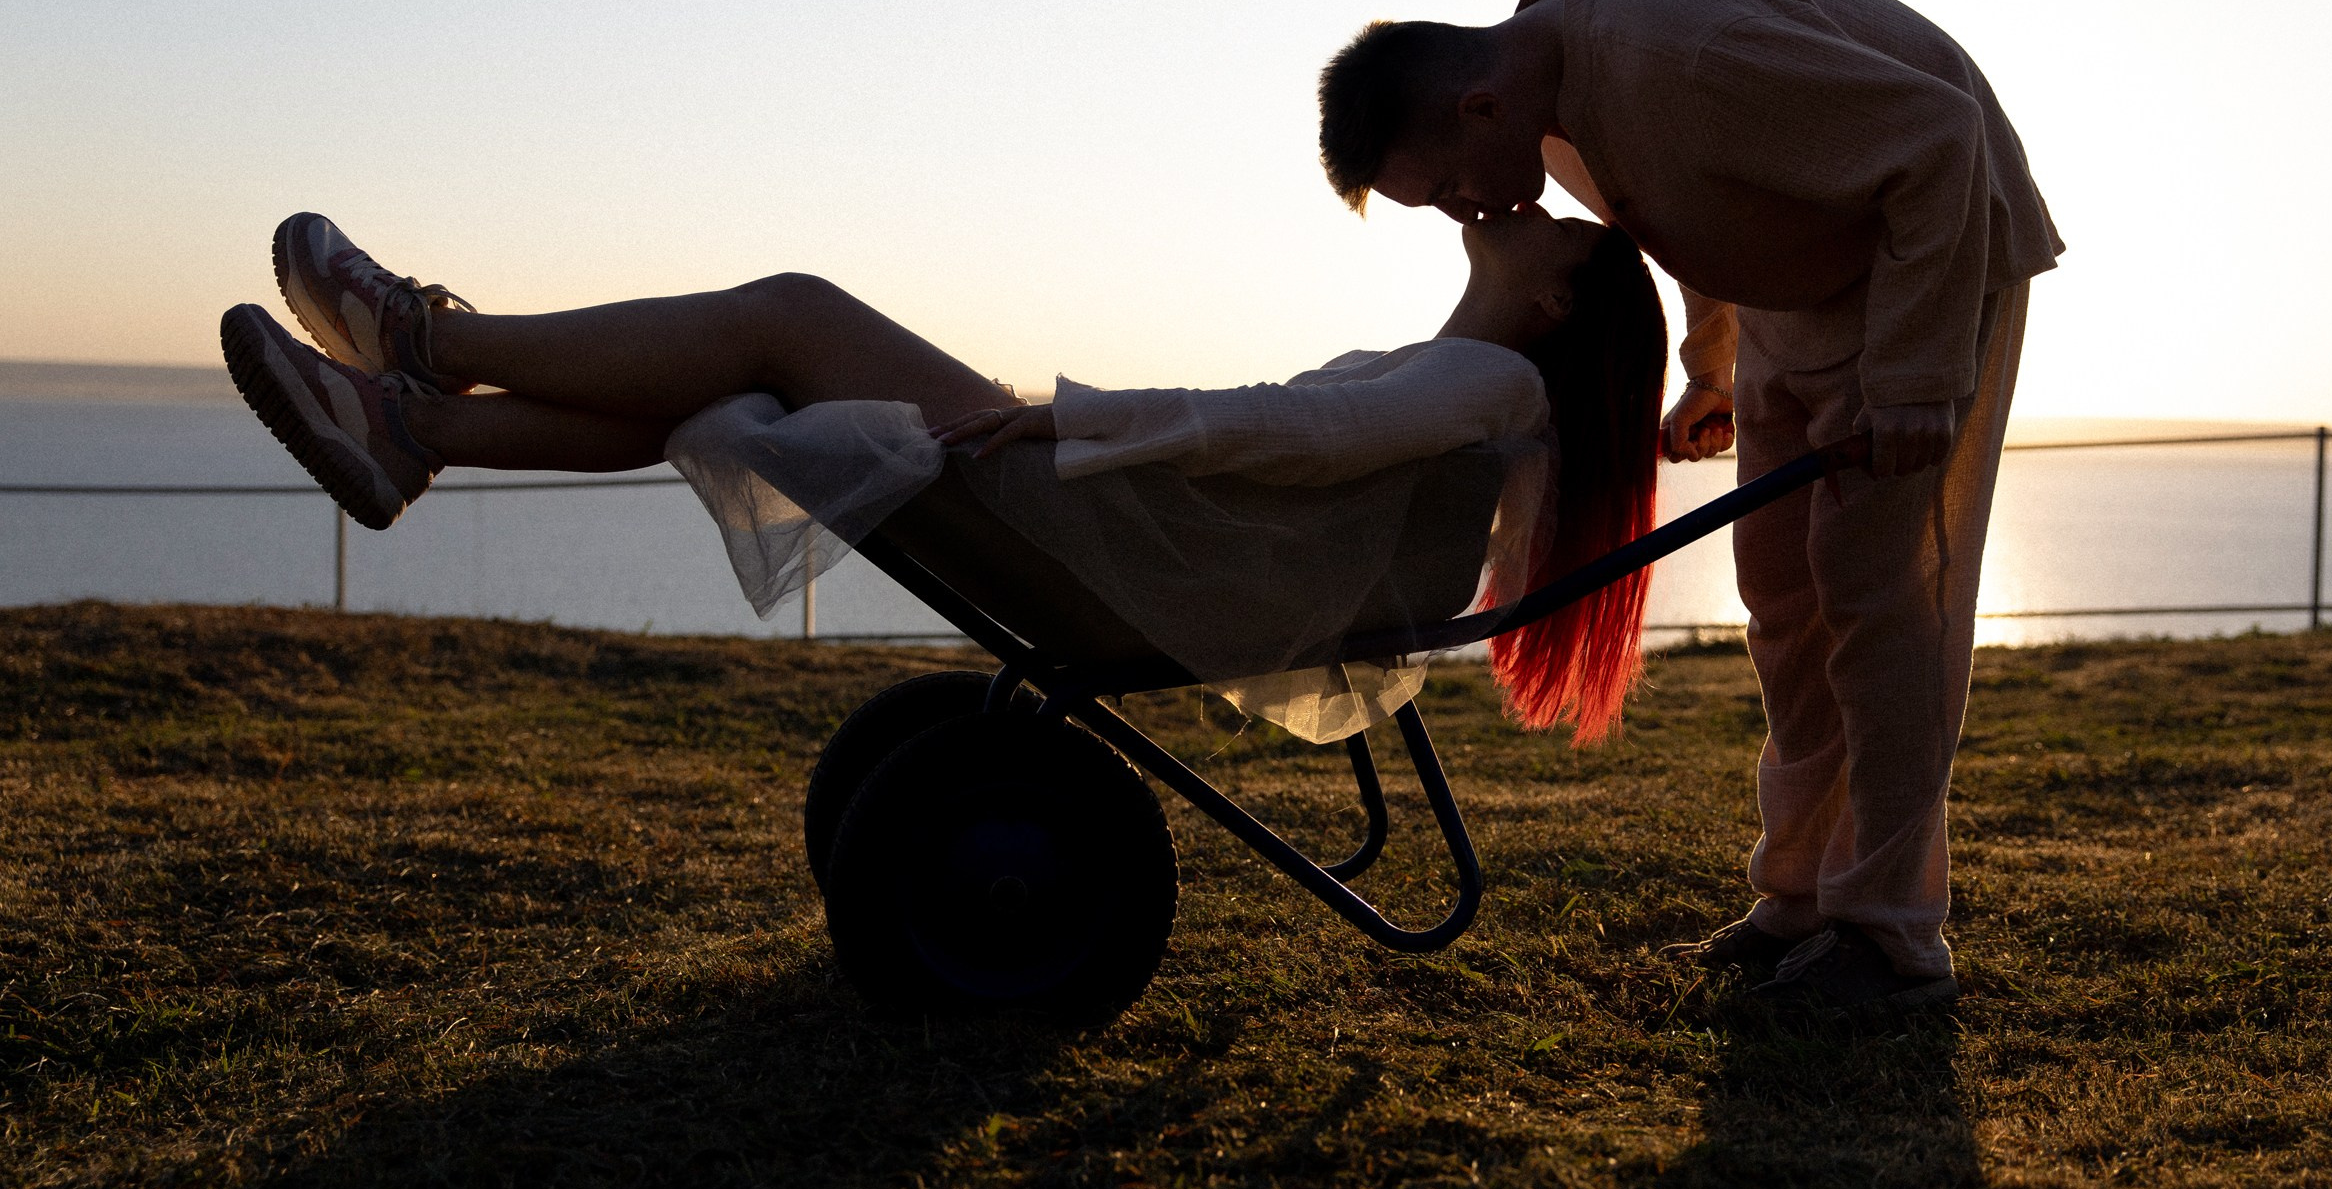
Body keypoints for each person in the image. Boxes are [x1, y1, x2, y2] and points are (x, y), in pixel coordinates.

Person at [1317, 0, 2065, 1010]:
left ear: (1477, 105)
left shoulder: (1683, 48)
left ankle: (1890, 938)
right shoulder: (1553, 103)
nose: (1466, 214)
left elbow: (1936, 140)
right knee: (1781, 603)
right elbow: (1687, 203)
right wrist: (1708, 365)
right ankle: (1799, 899)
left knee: (1879, 603)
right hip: (1790, 305)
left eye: (1444, 189)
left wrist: (1911, 375)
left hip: (1918, 278)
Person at [220, 207, 1666, 741]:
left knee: (788, 306)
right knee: (741, 369)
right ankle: (414, 428)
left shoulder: (1496, 381)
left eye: (1572, 232)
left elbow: (1293, 437)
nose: (1542, 211)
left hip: (1126, 534)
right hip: (1147, 545)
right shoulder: (1492, 384)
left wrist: (1056, 417)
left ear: (1557, 300)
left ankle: (427, 344)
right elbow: (1312, 449)